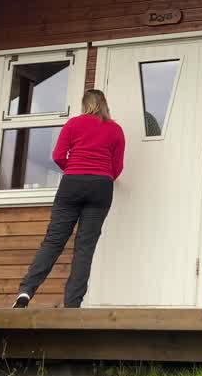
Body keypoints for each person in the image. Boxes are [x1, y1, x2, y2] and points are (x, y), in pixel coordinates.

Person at [13, 89, 124, 309]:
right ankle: (73, 305)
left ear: (85, 105)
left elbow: (57, 155)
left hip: (72, 183)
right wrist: (101, 175)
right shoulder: (116, 130)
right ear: (104, 105)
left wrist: (73, 169)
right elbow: (117, 167)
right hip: (101, 187)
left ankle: (26, 292)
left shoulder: (73, 124)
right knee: (85, 247)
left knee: (53, 242)